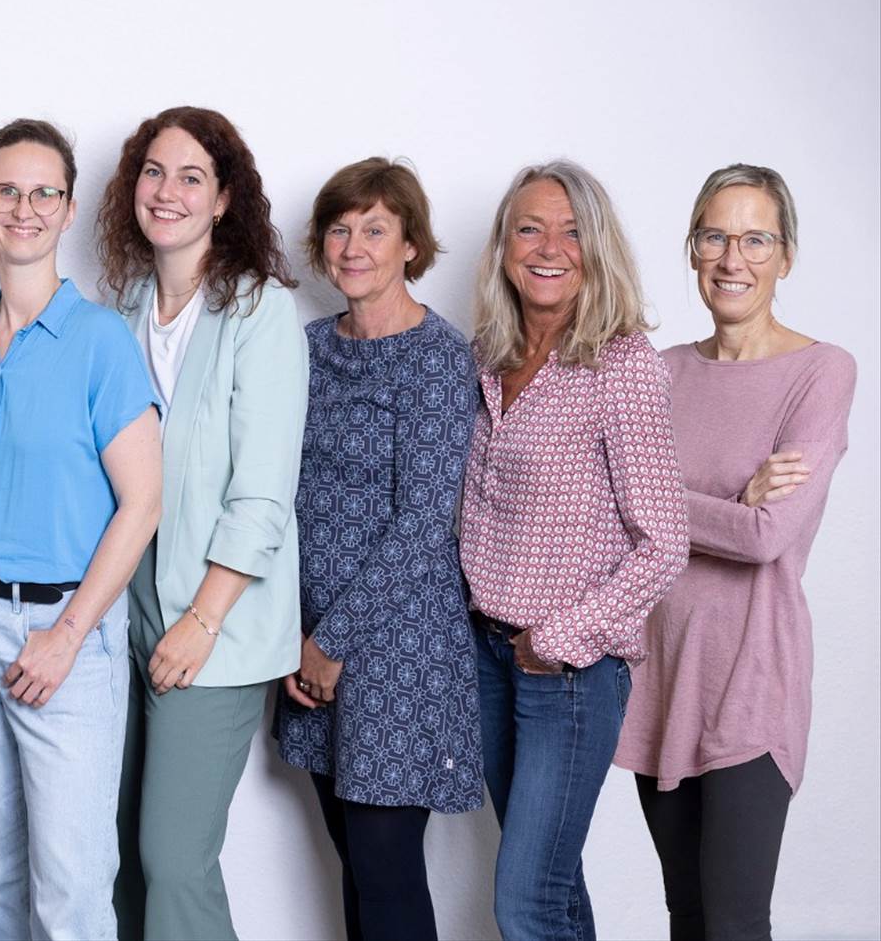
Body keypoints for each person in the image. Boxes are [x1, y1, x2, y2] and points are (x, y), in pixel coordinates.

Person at [0, 118, 162, 940]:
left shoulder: (101, 341)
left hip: (64, 633)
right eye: (6, 190)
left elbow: (143, 504)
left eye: (44, 193)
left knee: (70, 890)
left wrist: (67, 636)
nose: (23, 208)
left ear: (67, 210)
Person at [614, 165, 856, 941]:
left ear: (786, 257)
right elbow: (606, 512)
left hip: (752, 680)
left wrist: (658, 499)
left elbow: (765, 536)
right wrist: (727, 499)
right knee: (687, 917)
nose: (732, 258)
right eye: (715, 236)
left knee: (734, 923)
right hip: (657, 680)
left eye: (756, 240)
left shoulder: (821, 371)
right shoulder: (658, 371)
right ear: (692, 249)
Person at [461, 160, 689, 941]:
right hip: (488, 657)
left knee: (524, 901)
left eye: (571, 231)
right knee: (554, 890)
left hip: (568, 673)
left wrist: (556, 640)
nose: (549, 247)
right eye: (530, 228)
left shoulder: (621, 364)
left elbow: (664, 544)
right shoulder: (488, 356)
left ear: (597, 248)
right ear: (504, 246)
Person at [94, 106, 306, 941]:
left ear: (223, 200)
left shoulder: (259, 312)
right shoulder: (124, 310)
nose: (167, 191)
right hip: (125, 610)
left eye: (191, 177)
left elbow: (263, 494)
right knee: (112, 851)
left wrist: (203, 619)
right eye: (153, 172)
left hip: (215, 621)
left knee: (174, 858)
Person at [274, 157, 482, 941]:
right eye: (339, 229)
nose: (353, 247)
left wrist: (330, 643)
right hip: (306, 638)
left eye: (374, 230)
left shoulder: (438, 357)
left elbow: (424, 524)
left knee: (387, 875)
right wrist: (291, 636)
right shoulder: (305, 347)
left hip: (399, 650)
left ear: (410, 246)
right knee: (356, 870)